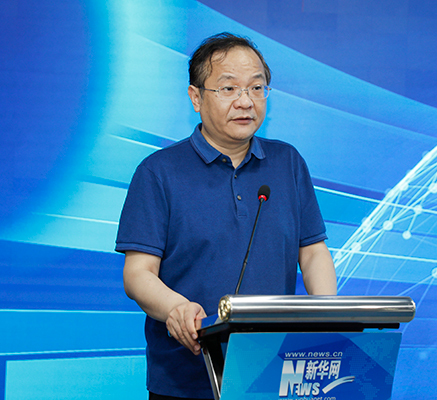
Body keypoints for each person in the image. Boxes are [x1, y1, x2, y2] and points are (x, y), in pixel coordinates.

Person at [115, 32, 337, 400]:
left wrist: (327, 319)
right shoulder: (158, 172)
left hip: (274, 373)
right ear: (196, 97)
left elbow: (313, 252)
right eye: (229, 88)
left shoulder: (288, 163)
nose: (245, 101)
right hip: (188, 379)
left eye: (256, 88)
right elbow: (138, 274)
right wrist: (176, 309)